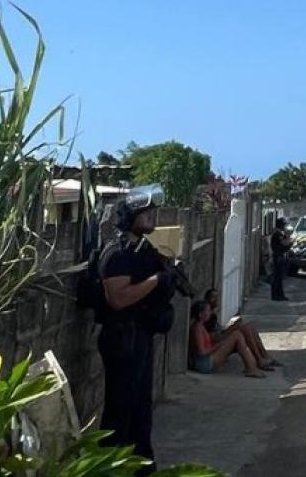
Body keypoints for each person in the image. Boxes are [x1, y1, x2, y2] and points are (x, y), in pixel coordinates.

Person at [97, 185, 176, 473]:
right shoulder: (118, 253)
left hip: (138, 335)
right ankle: (111, 467)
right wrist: (155, 280)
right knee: (121, 410)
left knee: (140, 409)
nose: (153, 216)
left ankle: (142, 466)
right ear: (131, 215)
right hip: (122, 337)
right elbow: (118, 298)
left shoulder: (140, 251)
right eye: (146, 211)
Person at [189, 301, 270, 377]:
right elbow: (202, 352)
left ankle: (254, 364)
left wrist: (229, 332)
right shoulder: (197, 328)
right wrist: (219, 345)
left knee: (241, 332)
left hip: (207, 359)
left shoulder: (201, 325)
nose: (210, 313)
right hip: (204, 364)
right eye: (208, 311)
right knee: (237, 335)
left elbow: (213, 339)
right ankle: (251, 368)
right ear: (200, 314)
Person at [202, 289, 279, 368]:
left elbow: (218, 333)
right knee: (243, 329)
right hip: (217, 347)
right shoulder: (209, 317)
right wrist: (232, 328)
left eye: (217, 297)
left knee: (249, 326)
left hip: (220, 339)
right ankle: (259, 359)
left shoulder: (212, 314)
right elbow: (215, 340)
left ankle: (265, 356)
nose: (215, 300)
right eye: (213, 297)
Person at [270, 217, 293, 301]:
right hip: (278, 257)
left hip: (279, 256)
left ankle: (279, 295)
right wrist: (290, 243)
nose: (285, 226)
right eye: (284, 225)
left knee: (279, 277)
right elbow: (284, 244)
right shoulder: (278, 234)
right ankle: (276, 296)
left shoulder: (279, 233)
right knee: (277, 277)